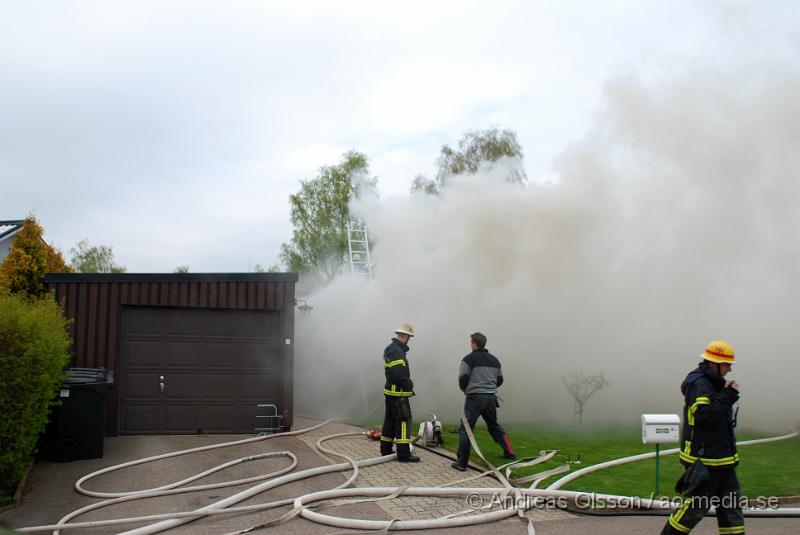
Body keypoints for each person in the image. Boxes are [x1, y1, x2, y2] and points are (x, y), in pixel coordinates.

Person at [661, 340, 744, 535]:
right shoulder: (698, 384)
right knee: (692, 511)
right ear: (713, 363)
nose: (730, 369)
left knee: (732, 512)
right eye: (727, 365)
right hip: (704, 462)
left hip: (723, 462)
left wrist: (725, 394)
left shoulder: (715, 384)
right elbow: (705, 416)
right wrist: (728, 396)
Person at [452, 332, 516, 471]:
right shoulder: (495, 360)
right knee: (494, 425)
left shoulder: (468, 359)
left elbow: (463, 378)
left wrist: (466, 390)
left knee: (466, 430)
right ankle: (510, 452)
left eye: (471, 342)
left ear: (474, 343)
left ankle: (461, 463)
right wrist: (490, 387)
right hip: (491, 399)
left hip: (474, 398)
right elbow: (500, 380)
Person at [379, 323, 420, 462]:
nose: (409, 339)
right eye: (409, 337)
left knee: (390, 420)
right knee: (403, 421)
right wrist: (407, 383)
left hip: (391, 392)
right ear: (405, 336)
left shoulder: (392, 349)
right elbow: (396, 374)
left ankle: (385, 449)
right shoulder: (397, 351)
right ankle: (403, 454)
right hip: (398, 394)